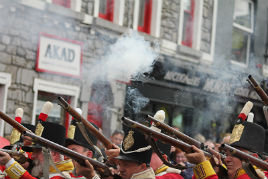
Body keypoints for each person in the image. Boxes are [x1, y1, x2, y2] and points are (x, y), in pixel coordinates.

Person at [0, 121, 74, 179]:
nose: (32, 156)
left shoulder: (61, 176)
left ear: (54, 154)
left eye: (38, 151)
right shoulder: (45, 174)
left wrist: (10, 163)